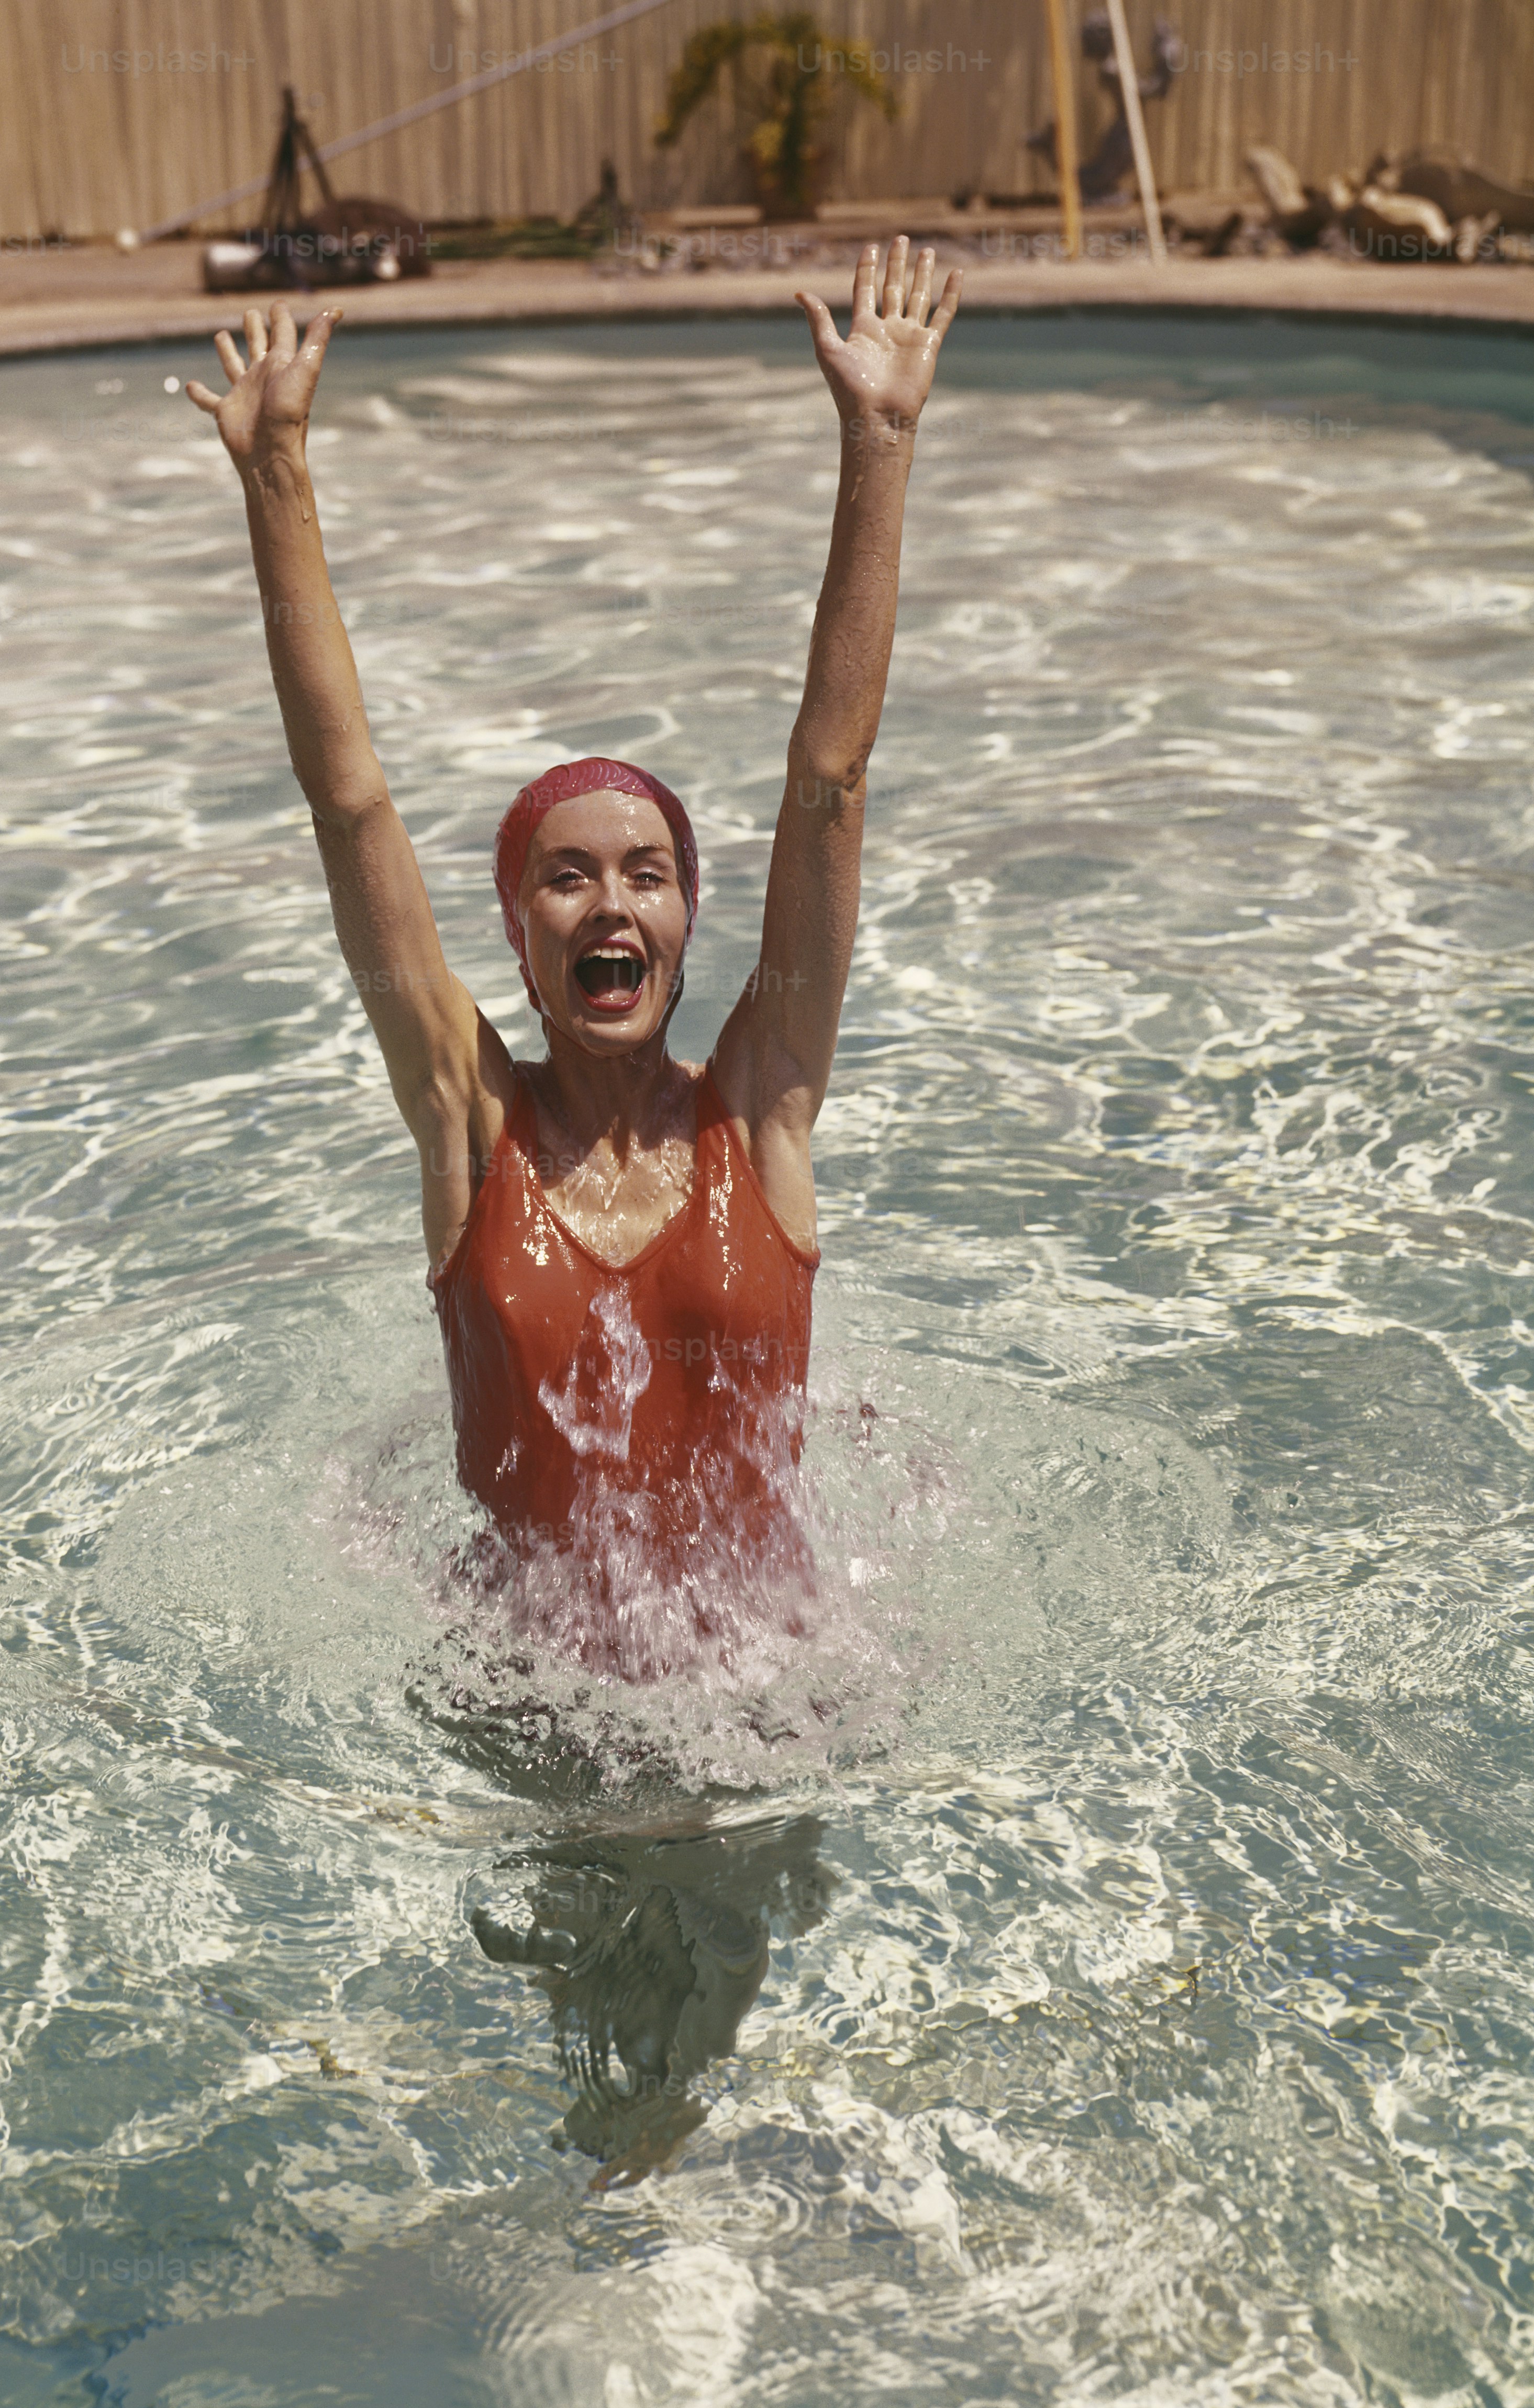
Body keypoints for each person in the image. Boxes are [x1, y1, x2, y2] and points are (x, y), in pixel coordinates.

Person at [187, 240, 962, 1654]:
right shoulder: (464, 1123)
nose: (610, 904)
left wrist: (883, 444)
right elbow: (349, 794)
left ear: (684, 921)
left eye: (646, 874)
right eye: (565, 879)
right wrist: (275, 477)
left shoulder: (761, 1106)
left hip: (774, 1709)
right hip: (526, 1722)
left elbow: (829, 779)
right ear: (518, 934)